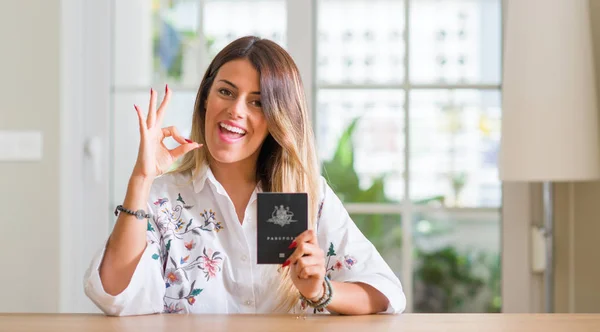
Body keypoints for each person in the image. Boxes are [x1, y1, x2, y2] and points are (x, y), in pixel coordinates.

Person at [83, 36, 406, 316]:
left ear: (278, 119)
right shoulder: (161, 197)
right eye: (226, 92)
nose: (237, 110)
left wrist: (319, 291)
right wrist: (141, 178)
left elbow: (383, 293)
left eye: (258, 102)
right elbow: (115, 297)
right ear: (206, 98)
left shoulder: (308, 195)